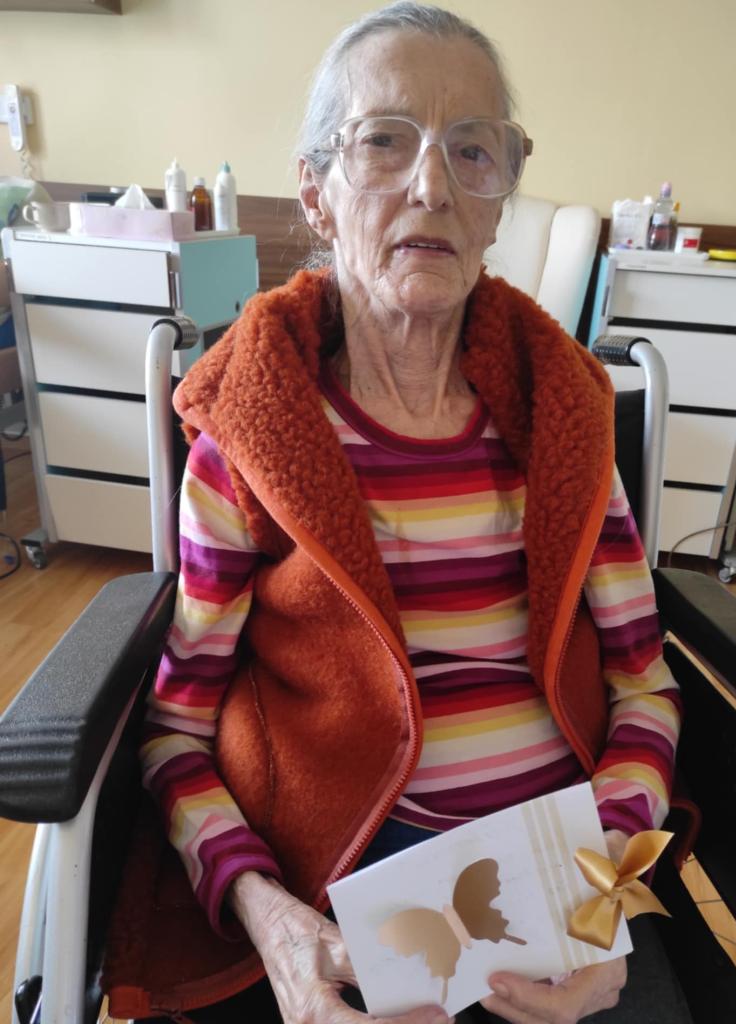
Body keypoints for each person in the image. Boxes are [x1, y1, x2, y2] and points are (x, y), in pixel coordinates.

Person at [136, 4, 691, 1022]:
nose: (430, 185)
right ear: (315, 191)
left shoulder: (564, 421)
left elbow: (643, 688)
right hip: (341, 879)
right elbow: (175, 731)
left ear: (499, 200)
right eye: (383, 141)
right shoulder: (249, 443)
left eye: (470, 150)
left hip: (560, 867)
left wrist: (600, 889)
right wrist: (271, 920)